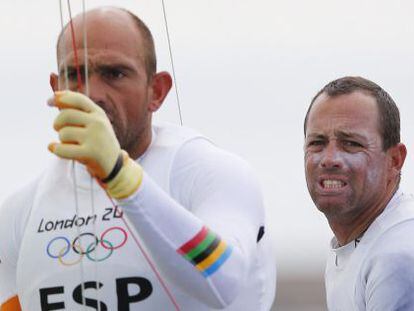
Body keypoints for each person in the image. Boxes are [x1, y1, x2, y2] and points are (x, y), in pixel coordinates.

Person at [0, 7, 276, 311]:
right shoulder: (20, 211)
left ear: (156, 90)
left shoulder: (210, 172)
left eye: (114, 73)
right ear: (56, 89)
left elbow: (224, 281)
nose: (92, 94)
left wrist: (119, 176)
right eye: (74, 75)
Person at [304, 76, 414, 310]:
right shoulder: (360, 241)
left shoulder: (397, 256)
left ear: (395, 160)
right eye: (317, 142)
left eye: (351, 144)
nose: (330, 159)